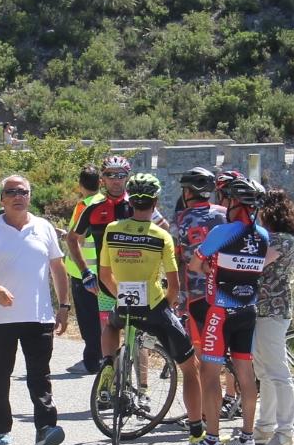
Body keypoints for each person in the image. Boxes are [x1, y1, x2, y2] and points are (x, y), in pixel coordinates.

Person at [0, 173, 71, 445]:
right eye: (11, 192)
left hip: (39, 316)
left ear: (30, 197)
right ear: (1, 199)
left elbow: (58, 267)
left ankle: (46, 429)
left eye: (23, 192)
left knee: (40, 376)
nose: (18, 197)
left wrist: (64, 306)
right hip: (1, 319)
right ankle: (1, 428)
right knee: (0, 377)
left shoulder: (43, 227)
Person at [182, 172, 278, 445]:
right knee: (245, 373)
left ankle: (212, 440)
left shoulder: (222, 232)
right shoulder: (263, 236)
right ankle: (247, 438)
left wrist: (210, 268)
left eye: (225, 198)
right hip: (247, 310)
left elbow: (194, 265)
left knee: (209, 373)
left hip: (220, 312)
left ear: (233, 201)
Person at [96, 173, 196, 401]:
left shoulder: (112, 229)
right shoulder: (161, 235)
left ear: (130, 201)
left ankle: (108, 363)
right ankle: (196, 422)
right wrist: (166, 306)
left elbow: (104, 275)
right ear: (155, 202)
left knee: (111, 326)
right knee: (191, 366)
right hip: (153, 307)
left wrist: (121, 296)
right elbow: (174, 284)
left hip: (125, 303)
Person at [171, 168, 227, 445]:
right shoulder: (224, 214)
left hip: (196, 297)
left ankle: (206, 418)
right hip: (226, 294)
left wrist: (178, 295)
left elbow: (176, 259)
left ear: (187, 192)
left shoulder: (181, 219)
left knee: (205, 361)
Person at [67, 156, 134, 362]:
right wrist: (85, 272)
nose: (116, 180)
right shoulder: (92, 207)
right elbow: (72, 239)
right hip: (105, 281)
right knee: (108, 331)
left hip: (135, 280)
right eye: (110, 175)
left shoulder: (137, 204)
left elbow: (163, 232)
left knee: (136, 335)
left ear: (127, 177)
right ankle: (108, 372)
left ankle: (142, 380)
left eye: (121, 175)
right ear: (102, 179)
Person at [253, 189, 294, 445]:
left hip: (273, 310)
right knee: (264, 371)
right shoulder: (276, 238)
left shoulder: (281, 241)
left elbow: (255, 264)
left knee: (277, 372)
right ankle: (264, 427)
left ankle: (284, 432)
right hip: (263, 309)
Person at [64, 168, 104, 374]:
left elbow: (78, 237)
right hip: (102, 271)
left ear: (80, 185)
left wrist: (67, 236)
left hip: (84, 272)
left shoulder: (84, 205)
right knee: (100, 318)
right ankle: (102, 357)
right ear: (100, 183)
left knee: (88, 320)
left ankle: (91, 362)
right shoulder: (104, 201)